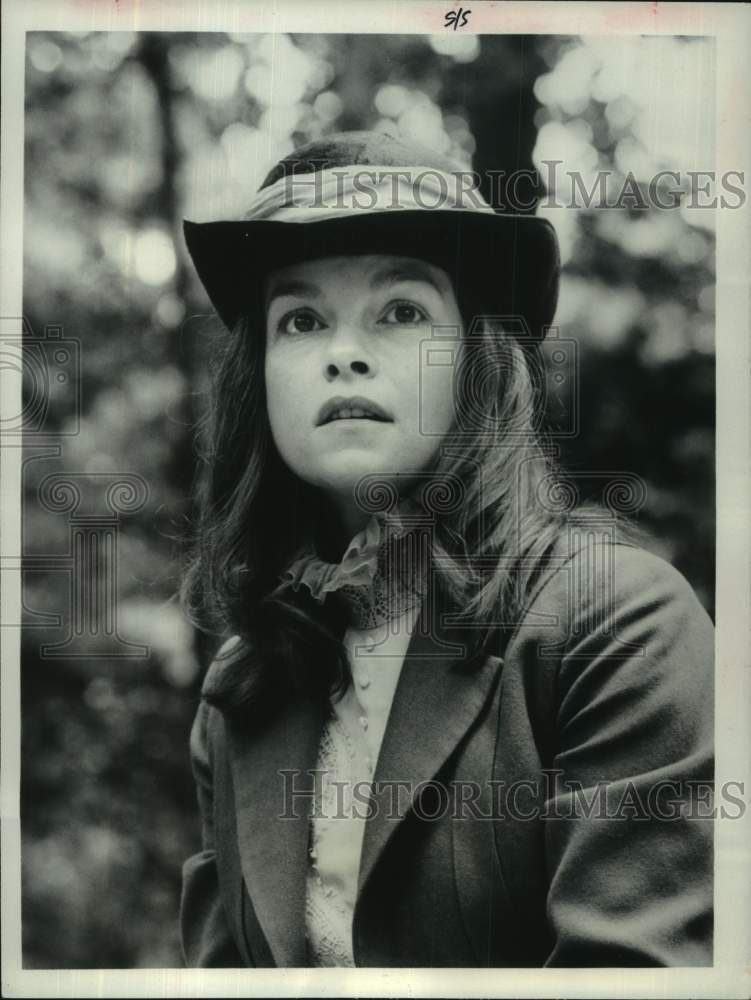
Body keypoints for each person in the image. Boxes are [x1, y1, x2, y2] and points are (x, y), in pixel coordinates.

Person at [178, 131, 714, 968]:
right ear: (261, 378)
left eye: (401, 311)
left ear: (476, 359)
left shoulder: (618, 624)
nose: (342, 353)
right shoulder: (238, 692)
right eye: (301, 320)